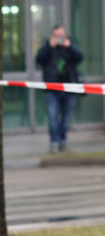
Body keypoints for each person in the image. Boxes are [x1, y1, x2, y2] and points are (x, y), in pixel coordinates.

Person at [35, 25, 83, 153]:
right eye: (57, 36)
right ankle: (54, 141)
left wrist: (69, 46)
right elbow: (39, 59)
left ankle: (63, 140)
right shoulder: (48, 47)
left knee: (66, 118)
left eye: (61, 36)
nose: (59, 39)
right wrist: (49, 46)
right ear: (52, 36)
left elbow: (80, 57)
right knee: (53, 116)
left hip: (69, 88)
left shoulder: (70, 46)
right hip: (52, 89)